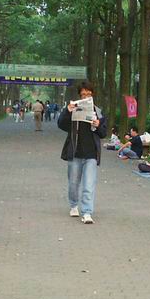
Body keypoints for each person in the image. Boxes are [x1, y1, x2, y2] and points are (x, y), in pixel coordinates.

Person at [58, 81, 107, 225]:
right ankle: (74, 205)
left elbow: (103, 133)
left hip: (91, 154)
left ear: (92, 95)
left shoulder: (98, 112)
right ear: (80, 95)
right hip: (75, 152)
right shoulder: (73, 109)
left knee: (89, 185)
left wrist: (98, 125)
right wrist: (67, 111)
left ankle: (87, 212)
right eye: (83, 94)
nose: (86, 96)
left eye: (88, 94)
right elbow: (61, 124)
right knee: (73, 183)